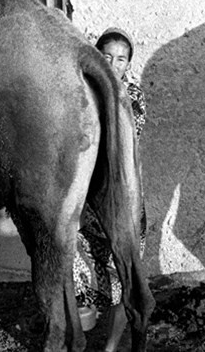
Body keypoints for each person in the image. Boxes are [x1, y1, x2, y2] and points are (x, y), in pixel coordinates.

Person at [73, 27, 146, 351]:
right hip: (85, 203)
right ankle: (81, 335)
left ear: (128, 64)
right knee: (78, 275)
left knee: (123, 277)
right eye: (106, 56)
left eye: (121, 59)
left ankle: (112, 346)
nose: (113, 64)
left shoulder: (133, 96)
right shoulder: (79, 92)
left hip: (122, 200)